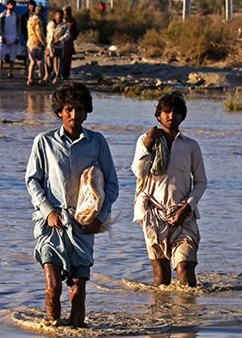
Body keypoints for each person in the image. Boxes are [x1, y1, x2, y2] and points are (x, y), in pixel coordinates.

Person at [25, 82, 119, 327]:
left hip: (83, 226)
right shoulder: (44, 142)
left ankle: (77, 329)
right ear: (59, 112)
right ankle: (52, 328)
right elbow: (32, 181)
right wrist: (48, 212)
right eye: (68, 109)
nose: (73, 115)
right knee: (53, 287)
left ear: (86, 111)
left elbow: (111, 186)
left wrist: (99, 219)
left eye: (78, 109)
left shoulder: (97, 142)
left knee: (77, 290)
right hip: (51, 226)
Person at [131, 93, 207, 288]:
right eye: (166, 112)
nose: (171, 115)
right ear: (159, 116)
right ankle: (161, 318)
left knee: (185, 271)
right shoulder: (146, 140)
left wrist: (187, 208)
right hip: (153, 215)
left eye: (176, 112)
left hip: (183, 215)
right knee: (161, 276)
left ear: (182, 116)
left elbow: (200, 182)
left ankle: (189, 316)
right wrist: (148, 144)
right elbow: (139, 172)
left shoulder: (191, 146)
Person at [0, 0, 22, 78]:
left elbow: (19, 26)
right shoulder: (3, 15)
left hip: (14, 37)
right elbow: (0, 27)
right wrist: (3, 36)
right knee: (1, 55)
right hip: (4, 38)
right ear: (7, 5)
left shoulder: (17, 15)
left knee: (12, 56)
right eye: (9, 5)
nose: (11, 7)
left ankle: (10, 72)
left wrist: (17, 37)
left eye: (12, 5)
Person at [46, 9, 70, 83]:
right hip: (49, 46)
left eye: (60, 15)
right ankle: (47, 76)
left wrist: (60, 40)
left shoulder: (64, 25)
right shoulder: (50, 24)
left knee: (58, 63)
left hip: (59, 46)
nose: (59, 16)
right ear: (55, 15)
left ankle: (57, 77)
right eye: (57, 14)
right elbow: (47, 33)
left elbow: (67, 34)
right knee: (48, 62)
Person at [26, 3, 46, 86]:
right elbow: (39, 33)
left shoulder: (30, 19)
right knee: (40, 62)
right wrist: (44, 43)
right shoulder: (38, 21)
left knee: (32, 62)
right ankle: (41, 79)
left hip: (30, 43)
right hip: (38, 43)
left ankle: (30, 78)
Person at [61, 6, 79, 80]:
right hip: (60, 42)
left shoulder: (73, 21)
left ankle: (65, 74)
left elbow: (76, 31)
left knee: (67, 59)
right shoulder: (60, 19)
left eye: (66, 11)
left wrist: (72, 37)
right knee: (61, 58)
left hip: (68, 42)